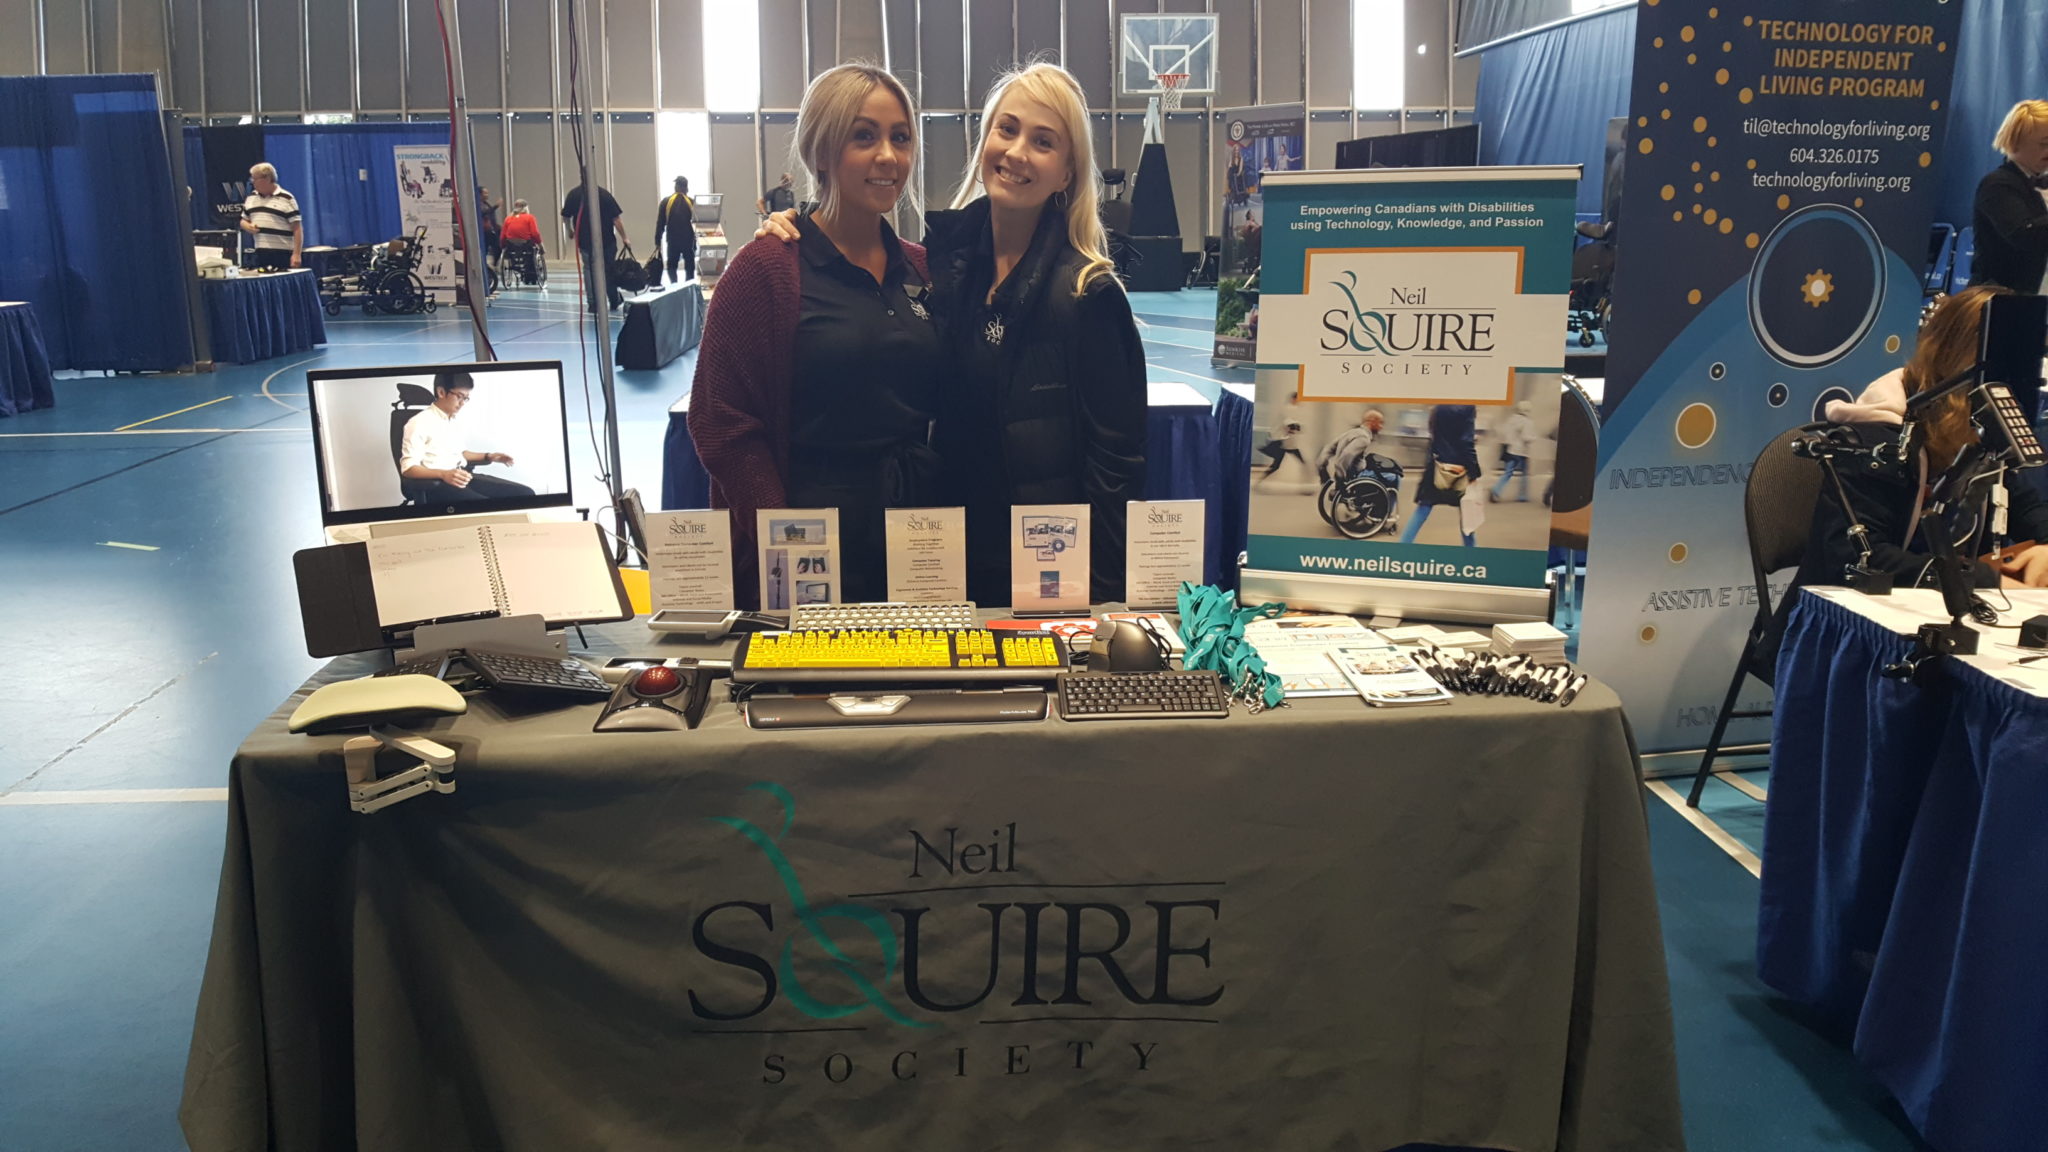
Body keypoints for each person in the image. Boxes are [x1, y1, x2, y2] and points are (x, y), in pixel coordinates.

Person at [753, 63, 1149, 604]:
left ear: (1066, 174)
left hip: (1045, 582)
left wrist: (1099, 603)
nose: (1017, 152)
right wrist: (791, 228)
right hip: (948, 564)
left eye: (1043, 142)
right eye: (1007, 129)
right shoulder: (942, 270)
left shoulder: (1088, 295)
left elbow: (1117, 469)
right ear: (985, 140)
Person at [691, 64, 944, 607]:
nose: (888, 156)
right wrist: (786, 540)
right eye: (864, 136)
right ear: (819, 153)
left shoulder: (923, 269)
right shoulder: (765, 270)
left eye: (901, 138)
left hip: (914, 544)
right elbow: (720, 421)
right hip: (811, 549)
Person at [1795, 286, 2048, 595]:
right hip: (1852, 614)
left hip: (1949, 606)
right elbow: (1860, 558)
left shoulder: (1983, 430)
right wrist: (1982, 580)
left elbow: (2028, 509)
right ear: (1960, 357)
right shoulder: (1874, 441)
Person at [397, 370, 535, 504]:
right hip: (437, 484)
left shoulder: (451, 419)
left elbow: (461, 453)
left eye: (466, 398)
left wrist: (489, 456)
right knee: (489, 508)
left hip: (461, 476)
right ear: (441, 392)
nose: (462, 403)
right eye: (459, 396)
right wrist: (443, 474)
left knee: (526, 494)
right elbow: (408, 469)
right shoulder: (418, 423)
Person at [1969, 100, 2048, 293]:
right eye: (2044, 144)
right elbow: (2024, 235)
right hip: (2003, 299)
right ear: (2015, 142)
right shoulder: (1997, 184)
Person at [1400, 404, 1482, 547]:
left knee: (1424, 507)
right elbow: (1466, 442)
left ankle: (1403, 545)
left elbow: (1433, 435)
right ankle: (1471, 551)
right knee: (1467, 512)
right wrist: (1474, 472)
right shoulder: (1468, 407)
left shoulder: (1439, 406)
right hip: (1459, 469)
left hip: (1437, 465)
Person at [560, 182, 629, 311]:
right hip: (606, 240)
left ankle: (593, 302)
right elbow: (616, 219)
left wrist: (569, 231)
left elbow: (565, 216)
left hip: (585, 240)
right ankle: (613, 299)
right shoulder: (604, 194)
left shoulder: (574, 194)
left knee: (589, 270)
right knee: (608, 270)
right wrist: (624, 237)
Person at [240, 163, 302, 271]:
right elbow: (243, 220)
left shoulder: (287, 198)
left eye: (255, 179)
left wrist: (296, 254)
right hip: (260, 254)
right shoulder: (251, 197)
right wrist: (247, 226)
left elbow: (297, 228)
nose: (252, 182)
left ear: (267, 179)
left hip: (283, 254)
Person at [1316, 409, 1385, 482]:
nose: (1381, 427)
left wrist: (1322, 469)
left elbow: (1328, 449)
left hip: (1351, 474)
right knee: (1392, 477)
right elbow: (1347, 454)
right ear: (1372, 422)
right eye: (1380, 423)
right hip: (1358, 476)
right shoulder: (1364, 438)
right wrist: (1340, 477)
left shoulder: (1351, 433)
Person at [1491, 400, 1538, 502]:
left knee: (1508, 473)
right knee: (1524, 474)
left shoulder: (1511, 420)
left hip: (1511, 450)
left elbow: (1504, 433)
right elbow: (1526, 437)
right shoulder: (1527, 422)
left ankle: (1496, 490)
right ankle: (1522, 495)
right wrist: (1534, 438)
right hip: (1522, 451)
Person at [653, 176, 698, 284]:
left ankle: (674, 284)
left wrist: (657, 241)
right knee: (690, 266)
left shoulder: (666, 202)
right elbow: (697, 224)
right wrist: (696, 242)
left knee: (672, 265)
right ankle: (688, 285)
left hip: (673, 240)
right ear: (686, 188)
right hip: (688, 240)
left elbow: (660, 223)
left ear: (676, 187)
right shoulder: (691, 202)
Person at [1256, 402, 1305, 485]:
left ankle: (1259, 481)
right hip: (1285, 445)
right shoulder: (1288, 416)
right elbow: (1289, 427)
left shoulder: (1291, 418)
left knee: (1276, 466)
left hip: (1289, 445)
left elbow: (1296, 429)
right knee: (1276, 466)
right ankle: (1259, 481)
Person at [475, 186, 503, 295]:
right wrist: (496, 206)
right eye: (485, 193)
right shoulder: (478, 204)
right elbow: (484, 213)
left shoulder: (486, 204)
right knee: (486, 250)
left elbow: (490, 217)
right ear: (480, 194)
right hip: (484, 232)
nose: (487, 195)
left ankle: (493, 267)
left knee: (498, 248)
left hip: (490, 230)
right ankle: (487, 271)